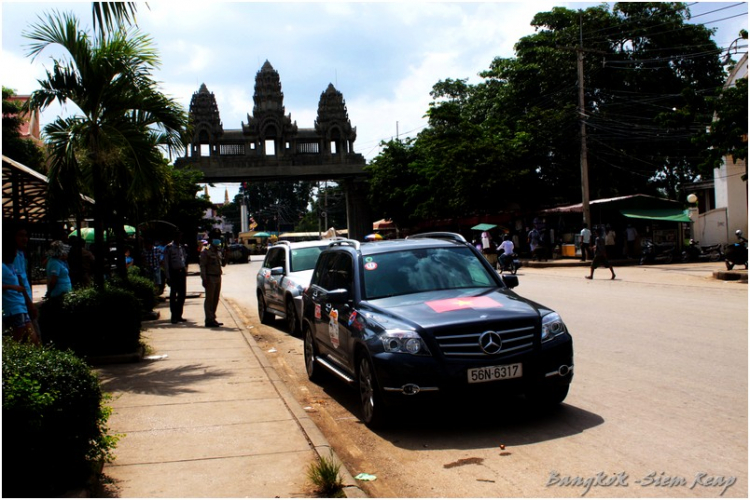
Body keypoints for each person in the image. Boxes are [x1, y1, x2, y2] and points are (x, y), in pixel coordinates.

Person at [2, 236, 40, 345]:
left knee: (34, 340)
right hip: (14, 308)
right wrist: (12, 287)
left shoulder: (11, 266)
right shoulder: (2, 267)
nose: (15, 255)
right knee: (17, 340)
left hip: (21, 307)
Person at [200, 230, 225, 328]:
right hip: (210, 277)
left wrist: (226, 252)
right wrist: (204, 278)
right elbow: (203, 265)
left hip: (218, 276)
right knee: (209, 299)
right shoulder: (206, 250)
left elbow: (223, 263)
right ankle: (208, 319)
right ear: (211, 239)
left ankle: (212, 318)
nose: (218, 239)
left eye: (218, 237)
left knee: (215, 299)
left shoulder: (218, 249)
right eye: (216, 237)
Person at [163, 232, 188, 324]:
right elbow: (166, 263)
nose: (179, 238)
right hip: (173, 273)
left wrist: (185, 270)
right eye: (177, 236)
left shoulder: (181, 247)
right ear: (174, 237)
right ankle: (173, 316)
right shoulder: (169, 248)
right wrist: (168, 277)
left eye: (180, 237)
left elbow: (183, 259)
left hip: (181, 272)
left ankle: (179, 315)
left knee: (182, 295)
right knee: (173, 295)